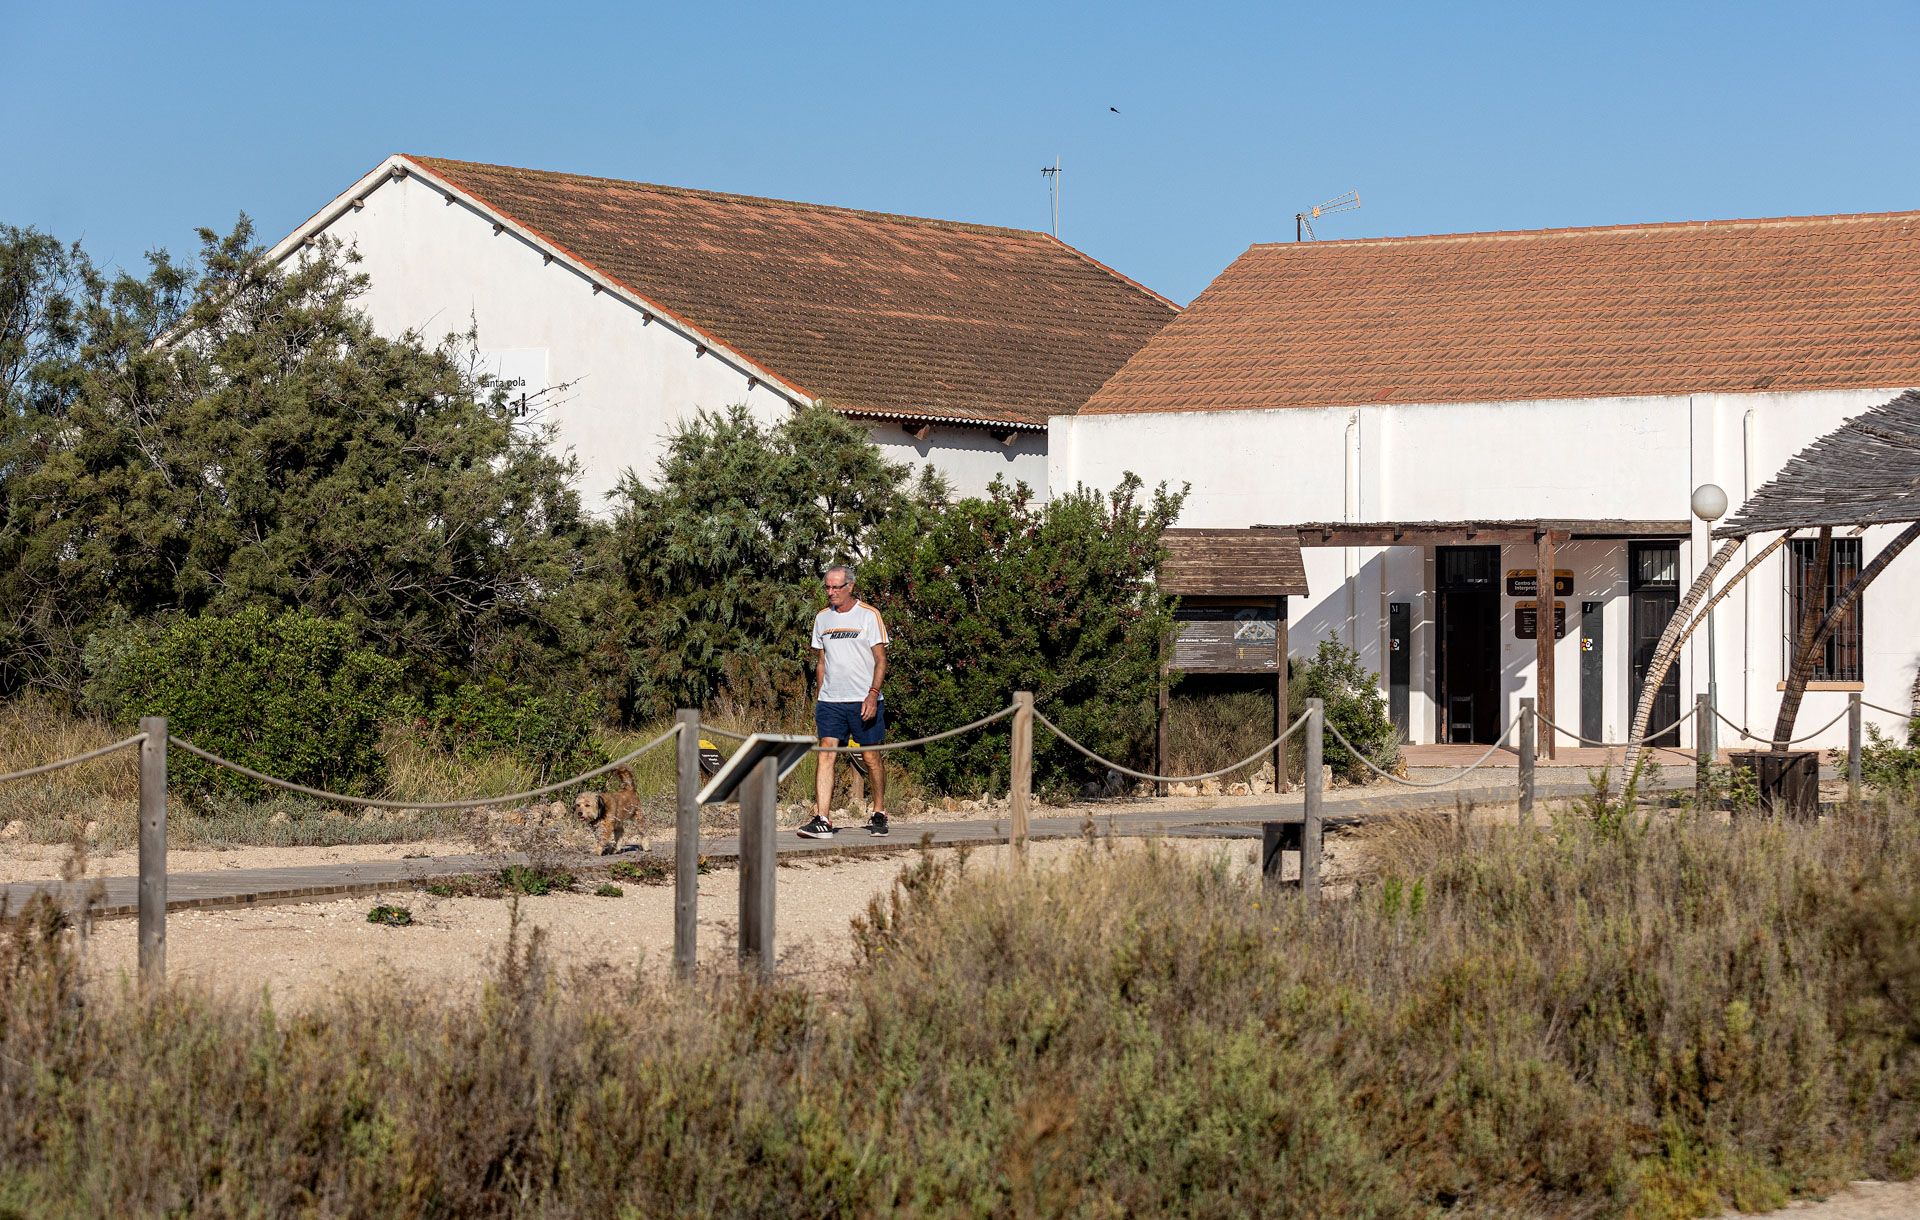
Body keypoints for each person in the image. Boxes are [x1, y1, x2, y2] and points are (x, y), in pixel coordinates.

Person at [798, 564, 890, 838]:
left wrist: (873, 695)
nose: (831, 592)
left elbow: (881, 659)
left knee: (870, 756)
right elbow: (822, 660)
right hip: (831, 701)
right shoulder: (822, 619)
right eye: (827, 587)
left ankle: (879, 812)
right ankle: (822, 818)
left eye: (836, 587)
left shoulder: (869, 615)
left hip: (863, 699)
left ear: (850, 586)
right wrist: (819, 695)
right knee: (826, 752)